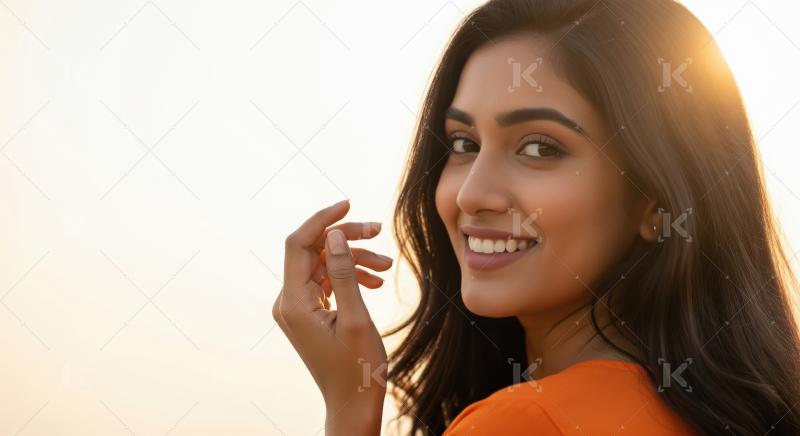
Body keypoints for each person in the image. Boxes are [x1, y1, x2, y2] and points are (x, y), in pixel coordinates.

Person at [272, 0, 800, 434]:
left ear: (655, 201)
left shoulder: (522, 423)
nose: (472, 194)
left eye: (540, 148)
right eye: (463, 143)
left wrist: (350, 409)